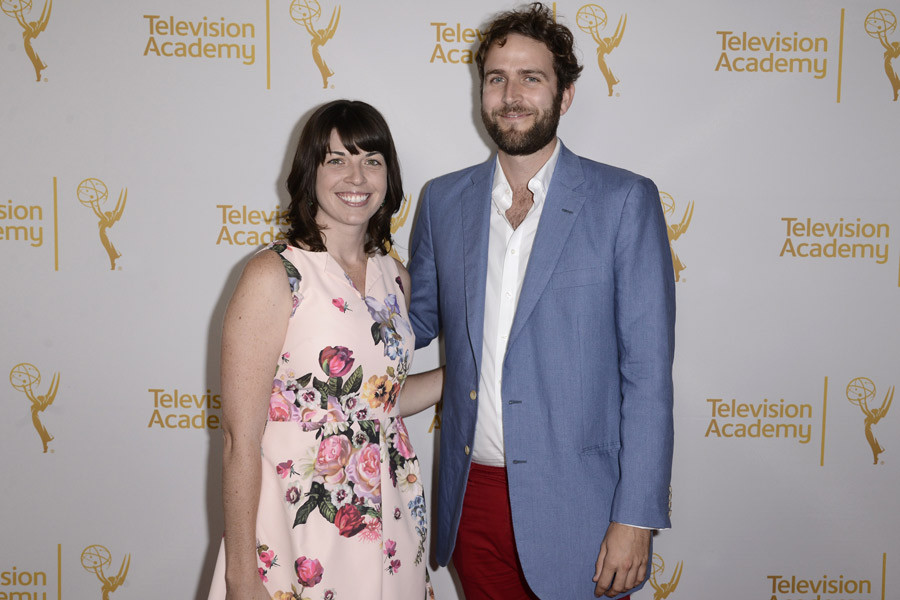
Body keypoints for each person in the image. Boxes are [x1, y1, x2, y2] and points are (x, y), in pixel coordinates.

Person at [406, 3, 675, 599]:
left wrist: (635, 517)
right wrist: (334, 270)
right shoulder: (443, 202)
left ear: (566, 93)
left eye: (532, 78)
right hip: (470, 499)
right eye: (497, 78)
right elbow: (410, 324)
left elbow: (649, 375)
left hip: (583, 506)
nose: (511, 95)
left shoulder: (623, 201)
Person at [208, 99, 434, 600]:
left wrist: (468, 371)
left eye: (371, 160)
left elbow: (380, 403)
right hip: (300, 525)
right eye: (337, 159)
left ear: (389, 176)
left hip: (391, 517)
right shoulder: (274, 275)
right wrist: (242, 577)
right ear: (310, 171)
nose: (356, 176)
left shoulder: (395, 276)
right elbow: (238, 441)